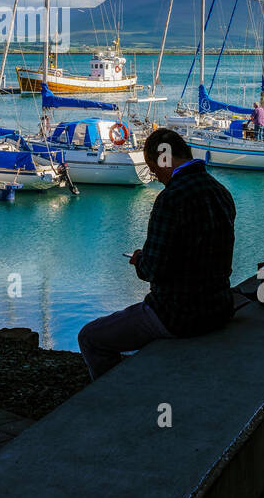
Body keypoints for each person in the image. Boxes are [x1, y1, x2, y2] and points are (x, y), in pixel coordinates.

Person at [78, 128, 236, 380]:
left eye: (153, 169)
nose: (156, 177)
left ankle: (114, 400)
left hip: (178, 315)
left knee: (90, 337)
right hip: (219, 307)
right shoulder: (221, 192)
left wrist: (140, 259)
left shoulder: (171, 198)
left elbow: (153, 269)